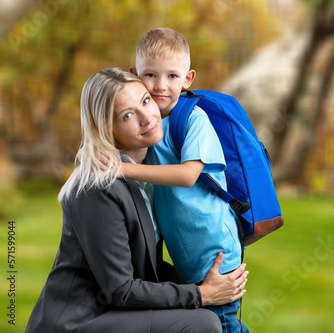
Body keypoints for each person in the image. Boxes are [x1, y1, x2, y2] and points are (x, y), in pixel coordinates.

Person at [25, 67, 248, 333]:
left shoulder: (150, 173)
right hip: (80, 321)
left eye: (145, 100)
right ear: (106, 129)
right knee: (203, 323)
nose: (147, 117)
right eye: (128, 115)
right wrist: (200, 295)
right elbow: (120, 289)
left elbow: (145, 267)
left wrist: (208, 281)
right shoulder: (98, 188)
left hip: (116, 312)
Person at [116, 28, 249, 333]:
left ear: (188, 79)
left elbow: (189, 175)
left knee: (223, 326)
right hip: (186, 255)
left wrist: (123, 170)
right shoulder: (146, 123)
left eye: (172, 77)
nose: (161, 86)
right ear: (134, 75)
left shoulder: (192, 120)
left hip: (215, 252)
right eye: (150, 75)